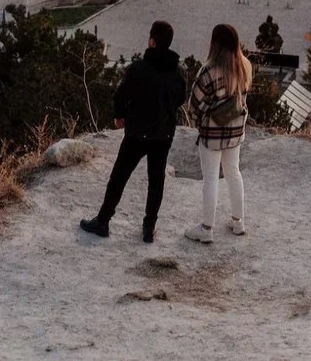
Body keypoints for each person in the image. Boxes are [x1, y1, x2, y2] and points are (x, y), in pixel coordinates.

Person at [80, 20, 186, 243]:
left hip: (137, 132)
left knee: (119, 177)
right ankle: (149, 228)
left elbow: (121, 94)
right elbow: (180, 99)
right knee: (156, 181)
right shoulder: (177, 72)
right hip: (163, 134)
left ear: (152, 41)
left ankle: (103, 221)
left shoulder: (139, 68)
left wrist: (120, 115)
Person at [185, 23, 252, 244]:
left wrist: (198, 122)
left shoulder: (208, 71)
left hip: (212, 133)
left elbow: (195, 104)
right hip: (235, 131)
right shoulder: (245, 66)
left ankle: (206, 228)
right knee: (234, 172)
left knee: (211, 178)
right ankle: (238, 222)